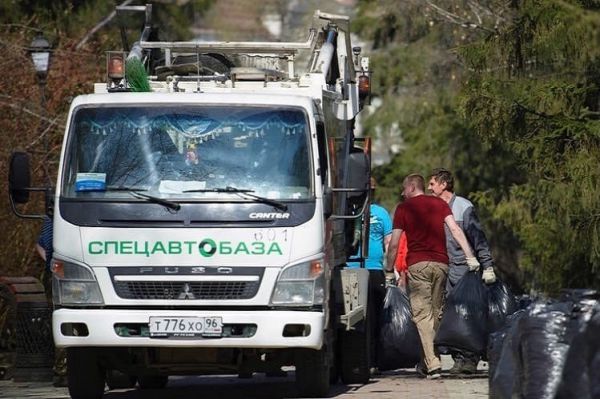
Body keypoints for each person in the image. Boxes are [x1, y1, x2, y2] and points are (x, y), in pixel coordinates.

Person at [385, 174, 479, 379]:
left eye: (404, 189)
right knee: (437, 313)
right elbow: (455, 229)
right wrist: (470, 256)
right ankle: (428, 360)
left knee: (421, 315)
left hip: (418, 265)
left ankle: (433, 363)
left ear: (411, 188)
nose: (402, 193)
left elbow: (394, 243)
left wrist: (388, 269)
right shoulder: (439, 204)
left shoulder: (404, 208)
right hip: (442, 264)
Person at [428, 168, 496, 374]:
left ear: (444, 185)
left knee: (467, 313)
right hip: (443, 266)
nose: (429, 188)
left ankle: (470, 359)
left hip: (464, 268)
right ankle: (458, 358)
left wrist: (487, 265)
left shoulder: (463, 207)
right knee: (450, 315)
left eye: (432, 184)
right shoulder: (434, 207)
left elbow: (477, 237)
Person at [347, 177, 392, 374]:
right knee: (355, 318)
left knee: (373, 318)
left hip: (373, 269)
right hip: (352, 269)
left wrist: (390, 269)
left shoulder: (381, 213)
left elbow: (389, 243)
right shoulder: (348, 214)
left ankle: (372, 361)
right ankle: (356, 361)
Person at [35, 215, 68, 387]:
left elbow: (41, 244)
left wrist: (51, 265)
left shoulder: (55, 213)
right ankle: (63, 370)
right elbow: (44, 244)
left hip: (58, 271)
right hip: (64, 272)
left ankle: (62, 370)